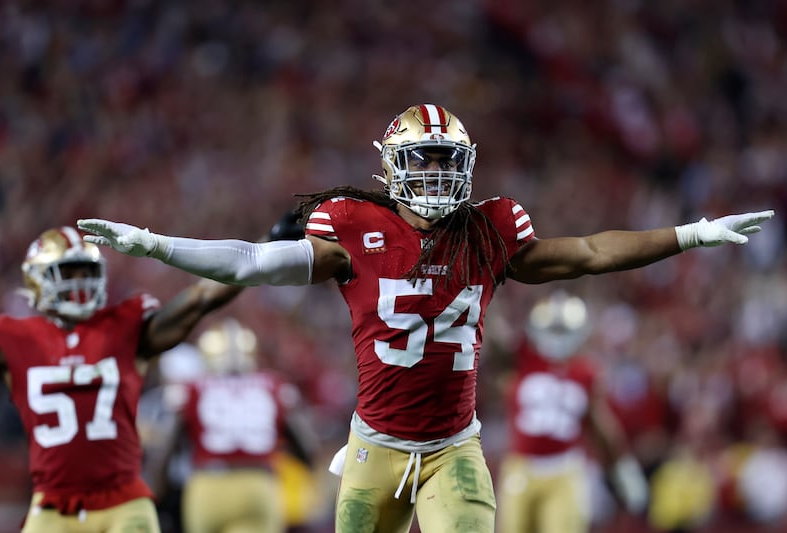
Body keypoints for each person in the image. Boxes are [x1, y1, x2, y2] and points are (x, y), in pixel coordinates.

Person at [77, 103, 775, 533]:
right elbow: (251, 263)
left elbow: (590, 251)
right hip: (375, 448)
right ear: (391, 167)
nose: (438, 175)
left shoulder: (490, 231)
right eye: (424, 161)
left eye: (448, 162)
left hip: (454, 449)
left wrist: (691, 233)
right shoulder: (354, 228)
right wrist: (158, 243)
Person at [0, 226, 244, 532]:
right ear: (38, 277)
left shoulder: (122, 326)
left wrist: (262, 250)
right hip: (53, 506)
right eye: (70, 273)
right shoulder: (13, 338)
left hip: (123, 503)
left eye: (87, 273)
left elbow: (201, 298)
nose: (81, 283)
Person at [496, 290, 647, 533]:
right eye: (554, 330)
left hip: (564, 468)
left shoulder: (585, 372)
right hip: (521, 467)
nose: (558, 338)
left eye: (564, 330)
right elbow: (494, 339)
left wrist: (622, 469)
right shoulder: (521, 359)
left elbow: (600, 426)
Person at [150, 317, 319, 533]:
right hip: (257, 484)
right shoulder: (274, 385)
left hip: (207, 487)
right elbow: (306, 449)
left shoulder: (191, 388)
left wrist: (157, 491)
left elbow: (167, 448)